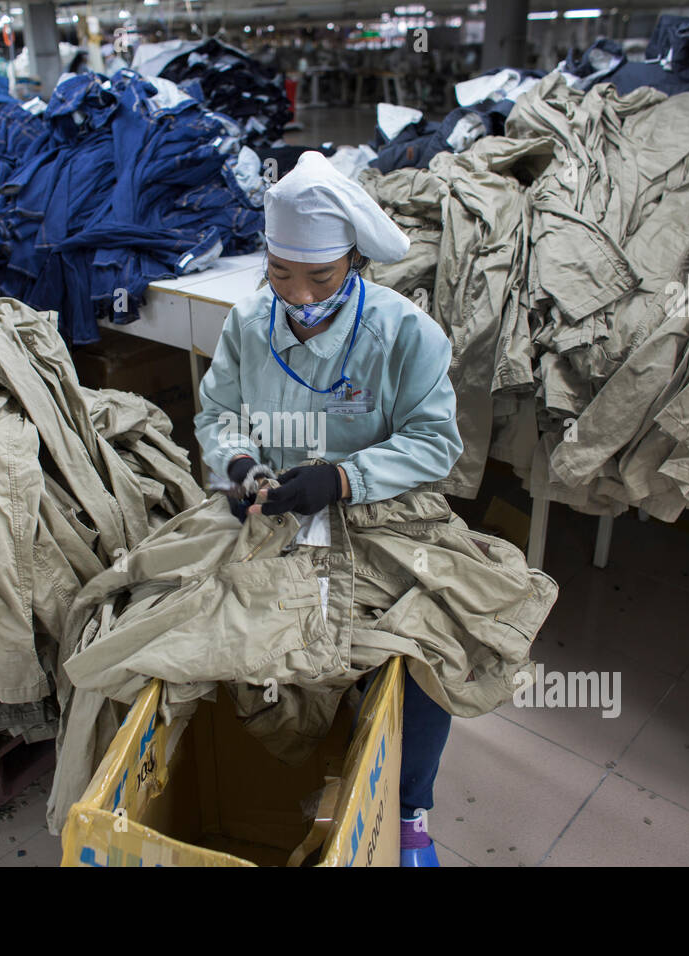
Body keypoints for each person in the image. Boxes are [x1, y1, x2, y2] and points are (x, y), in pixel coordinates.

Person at [193, 150, 463, 867]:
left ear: (354, 262)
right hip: (270, 513)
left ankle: (409, 809)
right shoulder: (249, 322)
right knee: (181, 610)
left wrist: (344, 479)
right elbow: (218, 413)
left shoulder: (406, 334)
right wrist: (239, 463)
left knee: (426, 642)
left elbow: (437, 444)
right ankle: (253, 773)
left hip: (378, 514)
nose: (299, 293)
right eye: (281, 272)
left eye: (320, 275)